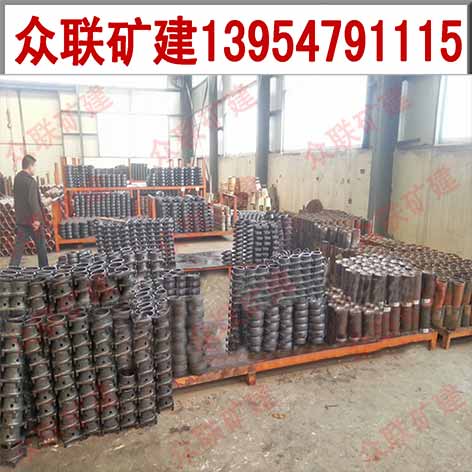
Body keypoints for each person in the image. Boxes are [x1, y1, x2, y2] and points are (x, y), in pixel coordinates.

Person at [9, 155, 49, 268]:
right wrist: (37, 219)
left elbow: (19, 199)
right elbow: (33, 201)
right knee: (40, 245)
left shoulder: (17, 178)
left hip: (21, 220)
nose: (35, 169)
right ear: (30, 166)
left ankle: (11, 270)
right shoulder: (31, 181)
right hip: (32, 222)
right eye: (34, 166)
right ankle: (45, 269)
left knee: (18, 248)